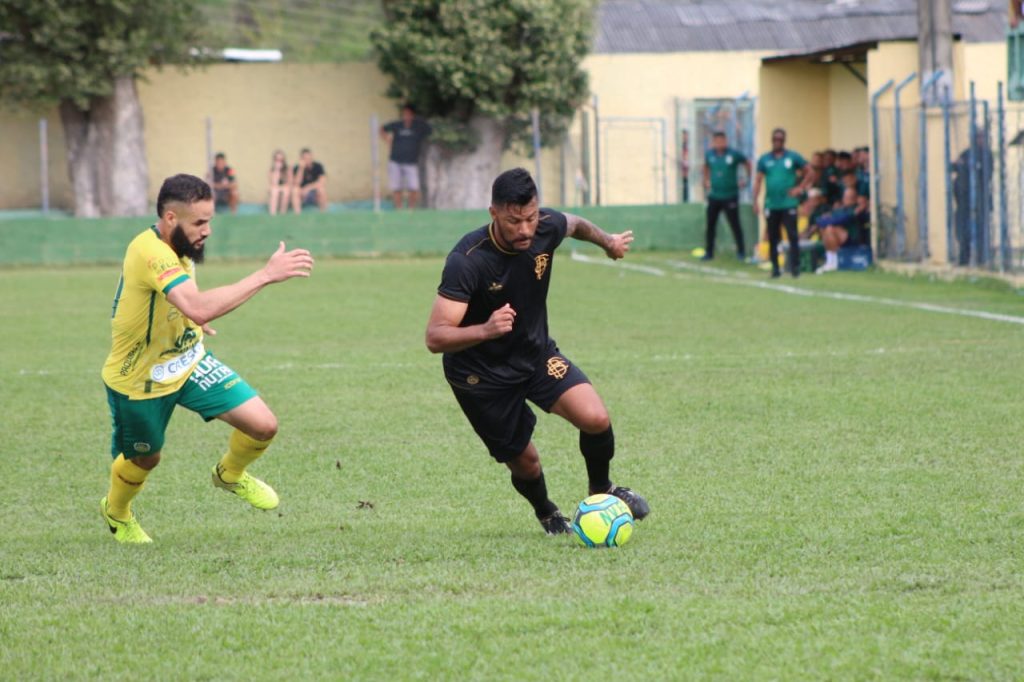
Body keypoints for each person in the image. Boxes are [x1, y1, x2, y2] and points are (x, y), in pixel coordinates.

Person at [424, 168, 650, 535]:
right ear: (493, 213)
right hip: (481, 375)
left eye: (530, 218)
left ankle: (600, 495)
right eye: (514, 221)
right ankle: (546, 511)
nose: (525, 230)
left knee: (595, 418)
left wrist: (608, 241)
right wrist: (486, 329)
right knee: (526, 463)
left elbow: (574, 224)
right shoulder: (467, 260)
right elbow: (435, 337)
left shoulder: (545, 227)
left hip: (535, 355)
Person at [99, 174, 314, 543]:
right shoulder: (151, 252)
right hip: (140, 379)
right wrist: (265, 275)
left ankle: (229, 474)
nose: (207, 230)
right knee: (146, 459)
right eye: (199, 222)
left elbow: (188, 302)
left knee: (263, 425)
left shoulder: (180, 247)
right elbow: (196, 306)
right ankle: (116, 512)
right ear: (170, 218)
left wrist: (193, 318)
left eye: (209, 220)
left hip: (188, 360)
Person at [752, 128, 815, 278]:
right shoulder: (764, 160)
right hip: (772, 204)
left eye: (780, 139)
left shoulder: (793, 157)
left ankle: (795, 268)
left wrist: (800, 188)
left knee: (792, 236)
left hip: (788, 203)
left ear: (784, 141)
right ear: (771, 140)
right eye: (775, 139)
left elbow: (810, 172)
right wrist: (755, 200)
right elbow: (758, 180)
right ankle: (775, 268)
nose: (777, 142)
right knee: (773, 237)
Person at [701, 131, 750, 260]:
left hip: (730, 195)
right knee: (710, 225)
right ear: (713, 142)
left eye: (722, 141)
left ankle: (741, 251)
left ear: (725, 141)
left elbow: (747, 162)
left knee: (735, 224)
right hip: (714, 195)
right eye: (717, 141)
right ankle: (709, 252)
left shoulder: (733, 154)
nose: (719, 143)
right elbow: (705, 167)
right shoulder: (710, 155)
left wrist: (746, 179)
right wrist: (706, 180)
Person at [951, 132, 994, 266]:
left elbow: (986, 175)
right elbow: (952, 167)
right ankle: (964, 259)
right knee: (963, 230)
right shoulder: (967, 153)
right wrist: (959, 164)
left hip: (980, 200)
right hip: (964, 200)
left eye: (982, 137)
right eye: (978, 137)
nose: (980, 140)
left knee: (981, 229)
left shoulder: (986, 155)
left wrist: (971, 167)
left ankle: (982, 259)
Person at [381, 104, 432, 209]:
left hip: (411, 162)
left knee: (414, 187)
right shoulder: (397, 125)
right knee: (396, 187)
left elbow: (430, 131)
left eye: (409, 114)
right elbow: (382, 129)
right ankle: (398, 209)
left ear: (413, 115)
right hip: (395, 161)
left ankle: (411, 209)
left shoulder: (419, 126)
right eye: (404, 114)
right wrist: (388, 140)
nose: (406, 116)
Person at [806, 186, 860, 274]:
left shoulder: (854, 209)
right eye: (845, 197)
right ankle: (830, 262)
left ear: (854, 199)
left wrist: (828, 220)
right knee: (826, 228)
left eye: (849, 197)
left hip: (851, 238)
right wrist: (828, 220)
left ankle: (833, 262)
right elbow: (819, 221)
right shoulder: (840, 209)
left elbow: (841, 219)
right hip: (838, 238)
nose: (846, 199)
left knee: (830, 228)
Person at [291, 148, 327, 214]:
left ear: (312, 157)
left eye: (309, 158)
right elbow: (296, 183)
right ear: (301, 159)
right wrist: (301, 168)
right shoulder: (297, 168)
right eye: (305, 158)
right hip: (301, 193)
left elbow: (322, 182)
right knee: (295, 190)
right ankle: (297, 214)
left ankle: (323, 213)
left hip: (314, 192)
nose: (307, 160)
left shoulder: (318, 166)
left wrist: (308, 188)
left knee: (322, 189)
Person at [267, 150, 292, 215]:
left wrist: (283, 186)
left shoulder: (288, 168)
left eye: (281, 160)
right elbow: (273, 183)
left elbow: (289, 182)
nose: (279, 162)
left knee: (286, 191)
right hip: (276, 187)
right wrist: (277, 170)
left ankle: (282, 212)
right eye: (277, 160)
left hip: (285, 187)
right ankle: (272, 213)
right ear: (274, 160)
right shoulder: (272, 170)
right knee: (274, 191)